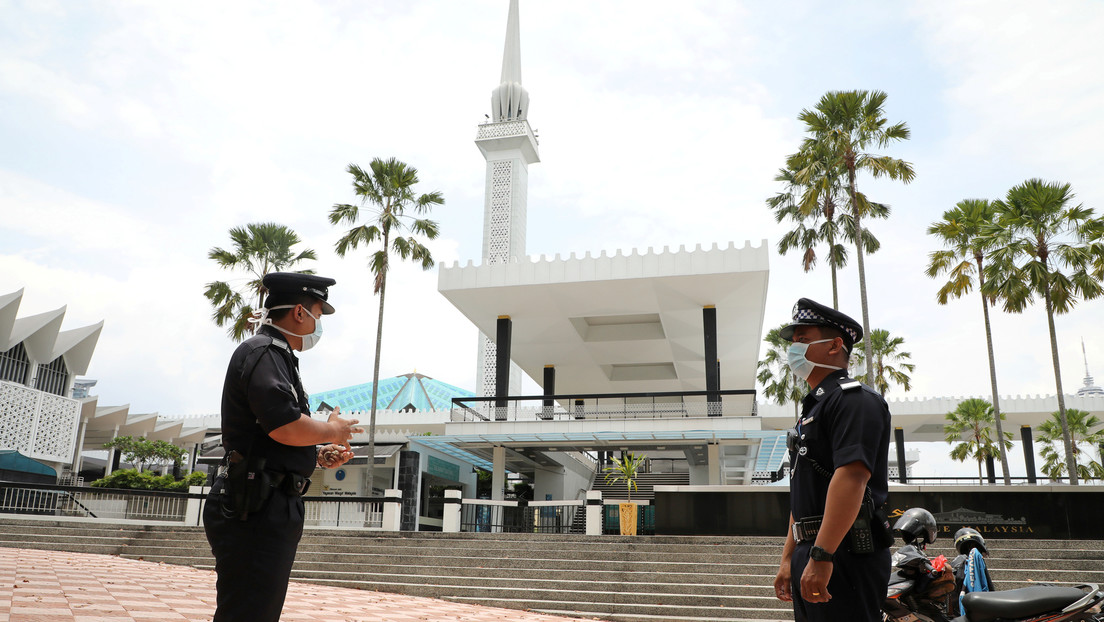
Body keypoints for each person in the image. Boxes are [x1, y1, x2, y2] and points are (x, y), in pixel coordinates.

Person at [203, 272, 363, 622]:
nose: (320, 324)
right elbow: (285, 427)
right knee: (249, 609)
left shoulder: (278, 355)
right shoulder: (263, 352)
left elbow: (271, 436)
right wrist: (332, 430)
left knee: (256, 606)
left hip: (266, 498)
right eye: (318, 314)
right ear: (300, 314)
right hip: (254, 504)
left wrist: (317, 454)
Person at [772, 298, 892, 622]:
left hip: (844, 552)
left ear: (835, 345)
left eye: (803, 340)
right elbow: (804, 496)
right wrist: (789, 558)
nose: (793, 350)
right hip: (811, 550)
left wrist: (823, 554)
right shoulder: (815, 408)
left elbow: (852, 477)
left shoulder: (854, 401)